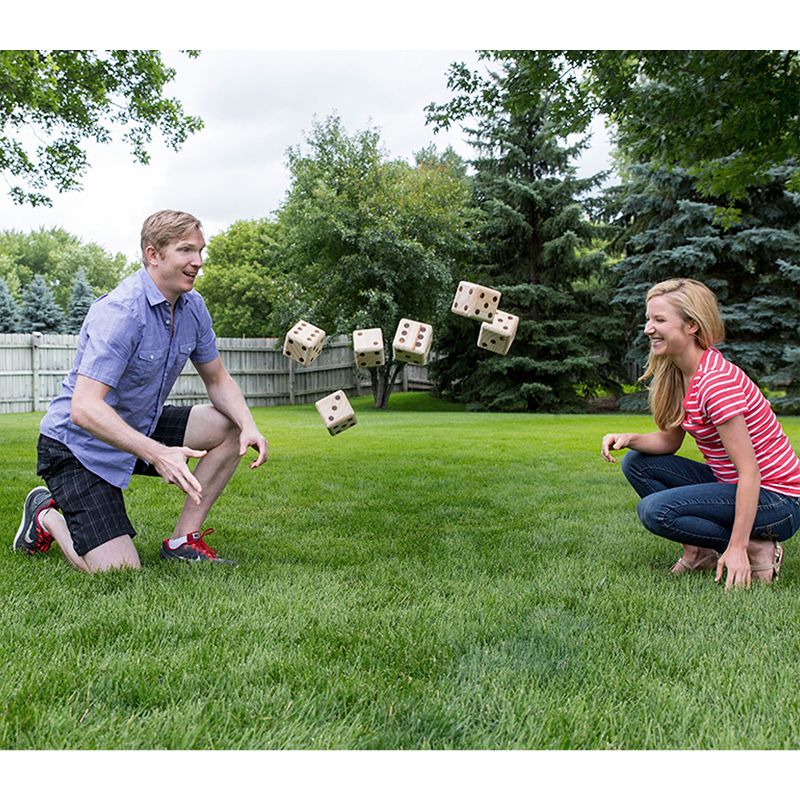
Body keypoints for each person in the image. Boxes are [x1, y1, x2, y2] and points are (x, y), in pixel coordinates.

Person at [13, 210, 269, 572]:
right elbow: (84, 408)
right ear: (153, 254)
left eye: (200, 251)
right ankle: (46, 515)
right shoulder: (121, 312)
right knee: (118, 569)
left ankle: (182, 542)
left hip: (137, 425)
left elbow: (218, 379)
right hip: (76, 445)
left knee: (230, 427)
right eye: (186, 251)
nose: (197, 262)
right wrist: (159, 454)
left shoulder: (193, 308)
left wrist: (249, 425)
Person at [601, 278, 800, 589]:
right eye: (648, 319)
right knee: (637, 462)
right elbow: (670, 441)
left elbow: (750, 472)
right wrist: (629, 439)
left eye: (659, 320)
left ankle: (754, 546)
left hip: (779, 502)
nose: (648, 329)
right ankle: (700, 551)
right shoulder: (681, 374)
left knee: (656, 511)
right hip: (737, 487)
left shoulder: (716, 383)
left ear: (692, 325)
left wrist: (735, 548)